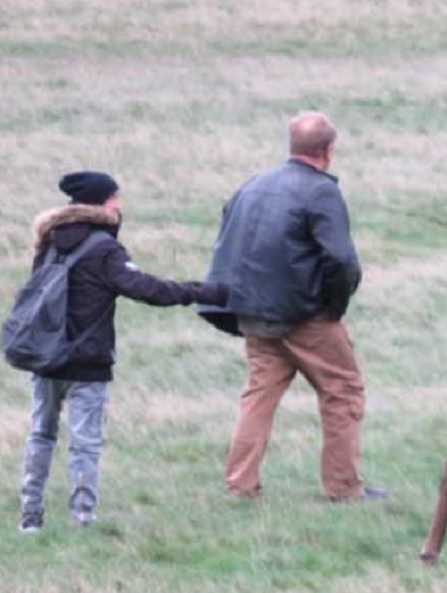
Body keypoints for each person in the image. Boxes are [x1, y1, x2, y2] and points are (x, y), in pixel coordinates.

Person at [14, 172, 226, 533]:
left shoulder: (49, 240)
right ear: (99, 203)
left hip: (46, 357)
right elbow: (148, 289)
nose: (119, 206)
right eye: (115, 199)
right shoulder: (103, 249)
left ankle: (30, 518)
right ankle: (82, 522)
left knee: (41, 434)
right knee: (86, 444)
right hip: (87, 361)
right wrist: (205, 292)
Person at [201, 112, 385, 503]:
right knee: (343, 391)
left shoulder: (253, 184)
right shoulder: (321, 192)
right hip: (303, 316)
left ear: (293, 145)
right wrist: (333, 308)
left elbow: (228, 239)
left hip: (253, 314)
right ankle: (344, 488)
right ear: (329, 150)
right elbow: (341, 260)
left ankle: (240, 485)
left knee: (259, 395)